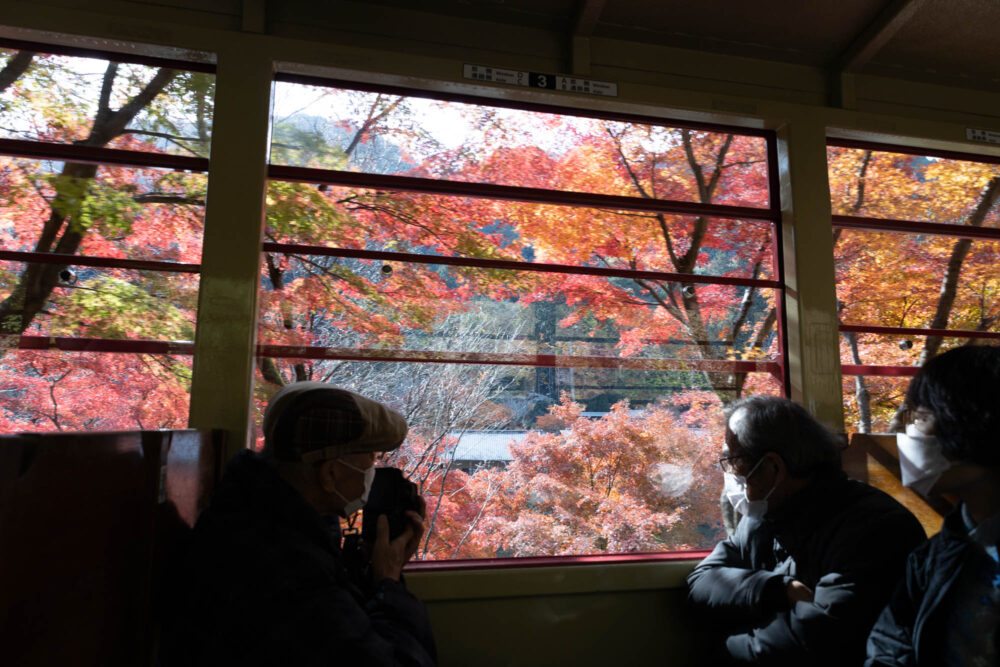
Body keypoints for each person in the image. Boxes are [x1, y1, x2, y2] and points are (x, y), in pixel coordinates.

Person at [159, 382, 437, 667]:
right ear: (329, 474)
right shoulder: (282, 569)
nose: (373, 470)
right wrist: (389, 582)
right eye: (371, 457)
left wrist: (366, 570)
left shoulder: (253, 516)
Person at [687, 395, 925, 666]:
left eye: (734, 460)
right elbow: (702, 579)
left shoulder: (876, 529)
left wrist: (722, 647)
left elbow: (818, 642)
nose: (731, 473)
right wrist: (774, 588)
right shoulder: (761, 519)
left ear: (773, 467)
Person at [866, 345, 1000, 666]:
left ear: (973, 422)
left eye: (921, 418)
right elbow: (889, 644)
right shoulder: (933, 556)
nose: (908, 433)